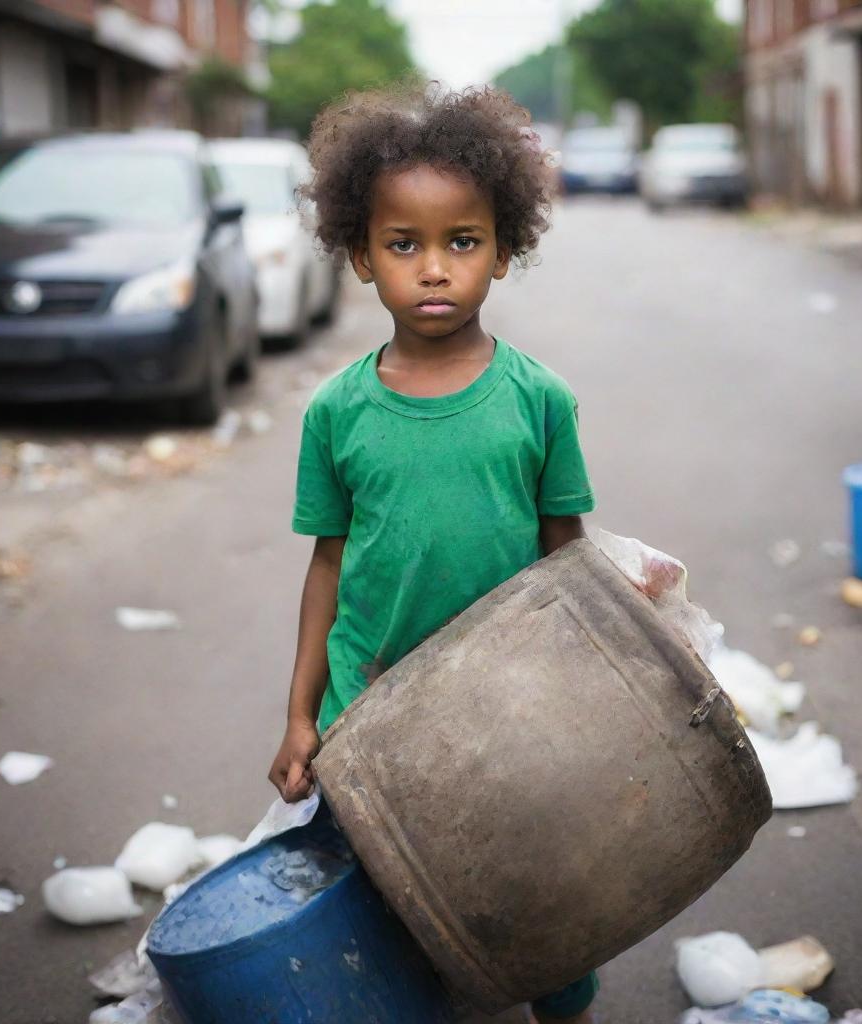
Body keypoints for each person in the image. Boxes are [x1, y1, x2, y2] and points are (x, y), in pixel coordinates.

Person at [268, 83, 599, 1024]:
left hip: (507, 708)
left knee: (536, 889)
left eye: (463, 241)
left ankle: (559, 999)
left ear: (505, 247)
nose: (435, 270)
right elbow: (327, 566)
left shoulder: (541, 401)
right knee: (385, 898)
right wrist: (299, 718)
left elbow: (567, 565)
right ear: (360, 257)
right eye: (402, 244)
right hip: (365, 706)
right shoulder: (338, 411)